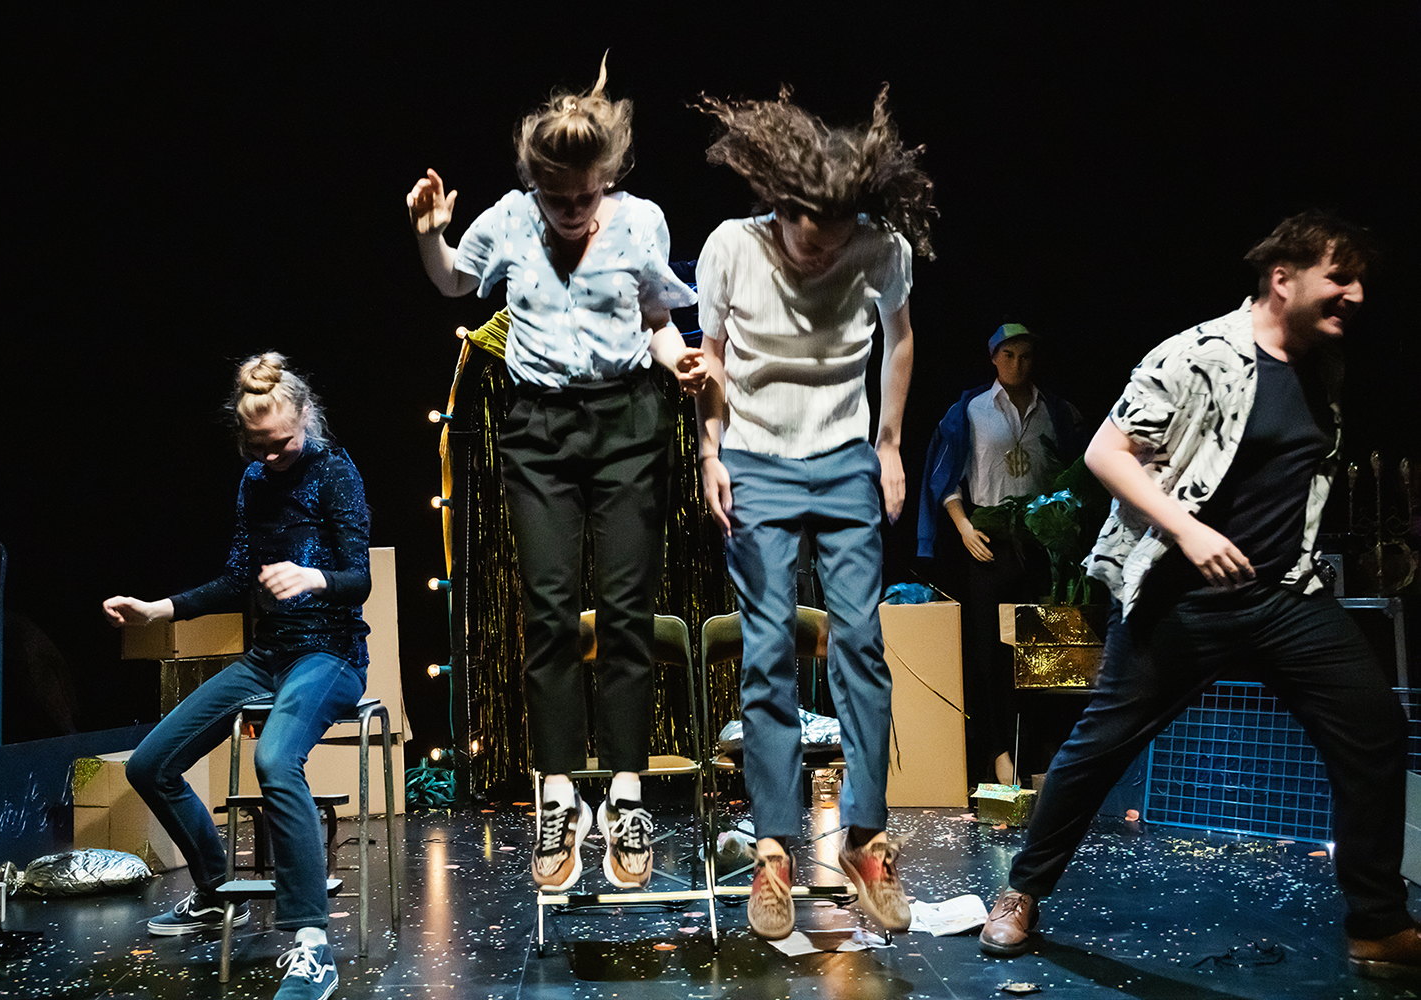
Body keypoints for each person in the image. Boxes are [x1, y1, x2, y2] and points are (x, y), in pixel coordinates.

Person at [977, 211, 1420, 981]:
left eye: (1360, 282)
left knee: (1376, 725)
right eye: (1338, 278)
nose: (1354, 294)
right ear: (1283, 279)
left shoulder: (1322, 367)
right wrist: (1188, 530)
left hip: (1285, 592)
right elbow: (1107, 452)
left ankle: (1377, 927)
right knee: (1098, 748)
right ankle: (1021, 891)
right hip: (1181, 596)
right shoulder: (1200, 354)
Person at [405, 58, 704, 893]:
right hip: (537, 429)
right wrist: (429, 233)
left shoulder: (640, 222)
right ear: (534, 181)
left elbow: (658, 320)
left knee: (627, 612)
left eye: (584, 195)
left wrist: (679, 360)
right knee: (548, 614)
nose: (572, 210)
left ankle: (627, 795)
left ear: (607, 175)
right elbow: (454, 281)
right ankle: (560, 796)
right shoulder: (510, 219)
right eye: (556, 197)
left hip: (629, 423)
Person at [692, 85, 935, 940]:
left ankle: (866, 838)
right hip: (756, 460)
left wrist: (889, 445)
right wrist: (711, 451)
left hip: (842, 462)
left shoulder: (881, 248)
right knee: (768, 654)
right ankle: (773, 850)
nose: (820, 250)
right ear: (782, 204)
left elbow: (901, 337)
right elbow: (712, 353)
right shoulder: (731, 247)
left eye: (835, 235)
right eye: (807, 234)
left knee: (860, 643)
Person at [103, 352, 368, 1000]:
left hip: (329, 656)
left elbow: (358, 579)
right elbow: (237, 578)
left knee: (275, 759)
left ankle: (312, 946)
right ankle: (220, 891)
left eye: (281, 444)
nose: (271, 457)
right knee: (151, 765)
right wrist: (159, 609)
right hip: (266, 658)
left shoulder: (335, 471)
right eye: (257, 447)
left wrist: (313, 577)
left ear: (305, 416)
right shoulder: (254, 481)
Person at [916, 323, 1083, 785]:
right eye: (1008, 355)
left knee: (1044, 653)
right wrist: (963, 526)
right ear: (993, 358)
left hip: (1043, 545)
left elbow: (1073, 471)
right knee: (991, 653)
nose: (1017, 364)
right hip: (988, 542)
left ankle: (1043, 753)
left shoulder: (1054, 411)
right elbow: (946, 475)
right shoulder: (971, 411)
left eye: (1025, 356)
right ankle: (999, 752)